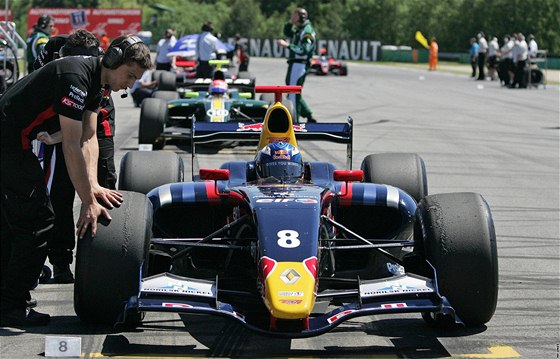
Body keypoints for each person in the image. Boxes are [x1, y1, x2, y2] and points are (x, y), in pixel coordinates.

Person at [0, 35, 151, 327]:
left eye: (136, 79)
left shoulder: (97, 83)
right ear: (113, 60)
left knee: (15, 222)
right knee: (39, 221)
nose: (130, 85)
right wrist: (87, 201)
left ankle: (8, 299)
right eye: (129, 75)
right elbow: (69, 145)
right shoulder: (75, 78)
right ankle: (11, 306)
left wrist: (92, 187)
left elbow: (89, 137)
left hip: (14, 141)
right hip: (8, 141)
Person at [33, 30, 118, 283]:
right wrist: (54, 136)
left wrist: (90, 192)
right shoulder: (49, 52)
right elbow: (36, 93)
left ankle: (105, 255)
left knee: (103, 186)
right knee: (59, 190)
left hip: (95, 121)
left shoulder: (105, 67)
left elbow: (87, 130)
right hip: (58, 118)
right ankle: (60, 261)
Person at [276, 8, 317, 123]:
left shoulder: (307, 32)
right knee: (293, 91)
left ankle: (294, 122)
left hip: (300, 65)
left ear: (301, 17)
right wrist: (290, 22)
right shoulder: (299, 29)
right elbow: (287, 32)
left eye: (294, 16)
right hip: (295, 64)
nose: (292, 18)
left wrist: (287, 45)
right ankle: (308, 114)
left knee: (293, 93)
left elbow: (304, 50)